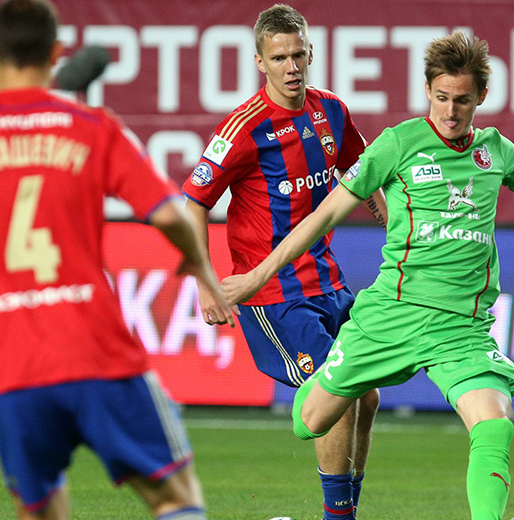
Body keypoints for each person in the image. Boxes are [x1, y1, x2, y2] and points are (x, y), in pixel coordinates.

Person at [219, 30, 514, 520]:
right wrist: (257, 276)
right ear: (428, 90)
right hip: (390, 315)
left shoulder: (494, 150)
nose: (450, 111)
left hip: (460, 328)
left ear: (482, 97)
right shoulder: (398, 144)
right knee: (311, 421)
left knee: (494, 425)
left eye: (462, 100)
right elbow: (322, 216)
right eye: (442, 97)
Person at [0, 1, 234, 519]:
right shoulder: (90, 127)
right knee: (174, 497)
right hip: (96, 355)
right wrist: (199, 263)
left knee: (40, 509)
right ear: (57, 53)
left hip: (10, 370)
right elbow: (168, 214)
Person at [180, 5, 383, 519]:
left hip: (327, 280)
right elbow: (194, 202)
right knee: (335, 389)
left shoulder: (331, 111)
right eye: (279, 58)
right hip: (274, 293)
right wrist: (205, 282)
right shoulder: (243, 128)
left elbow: (360, 173)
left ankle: (347, 509)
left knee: (368, 395)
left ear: (310, 52)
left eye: (297, 55)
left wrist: (392, 226)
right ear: (259, 62)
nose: (291, 67)